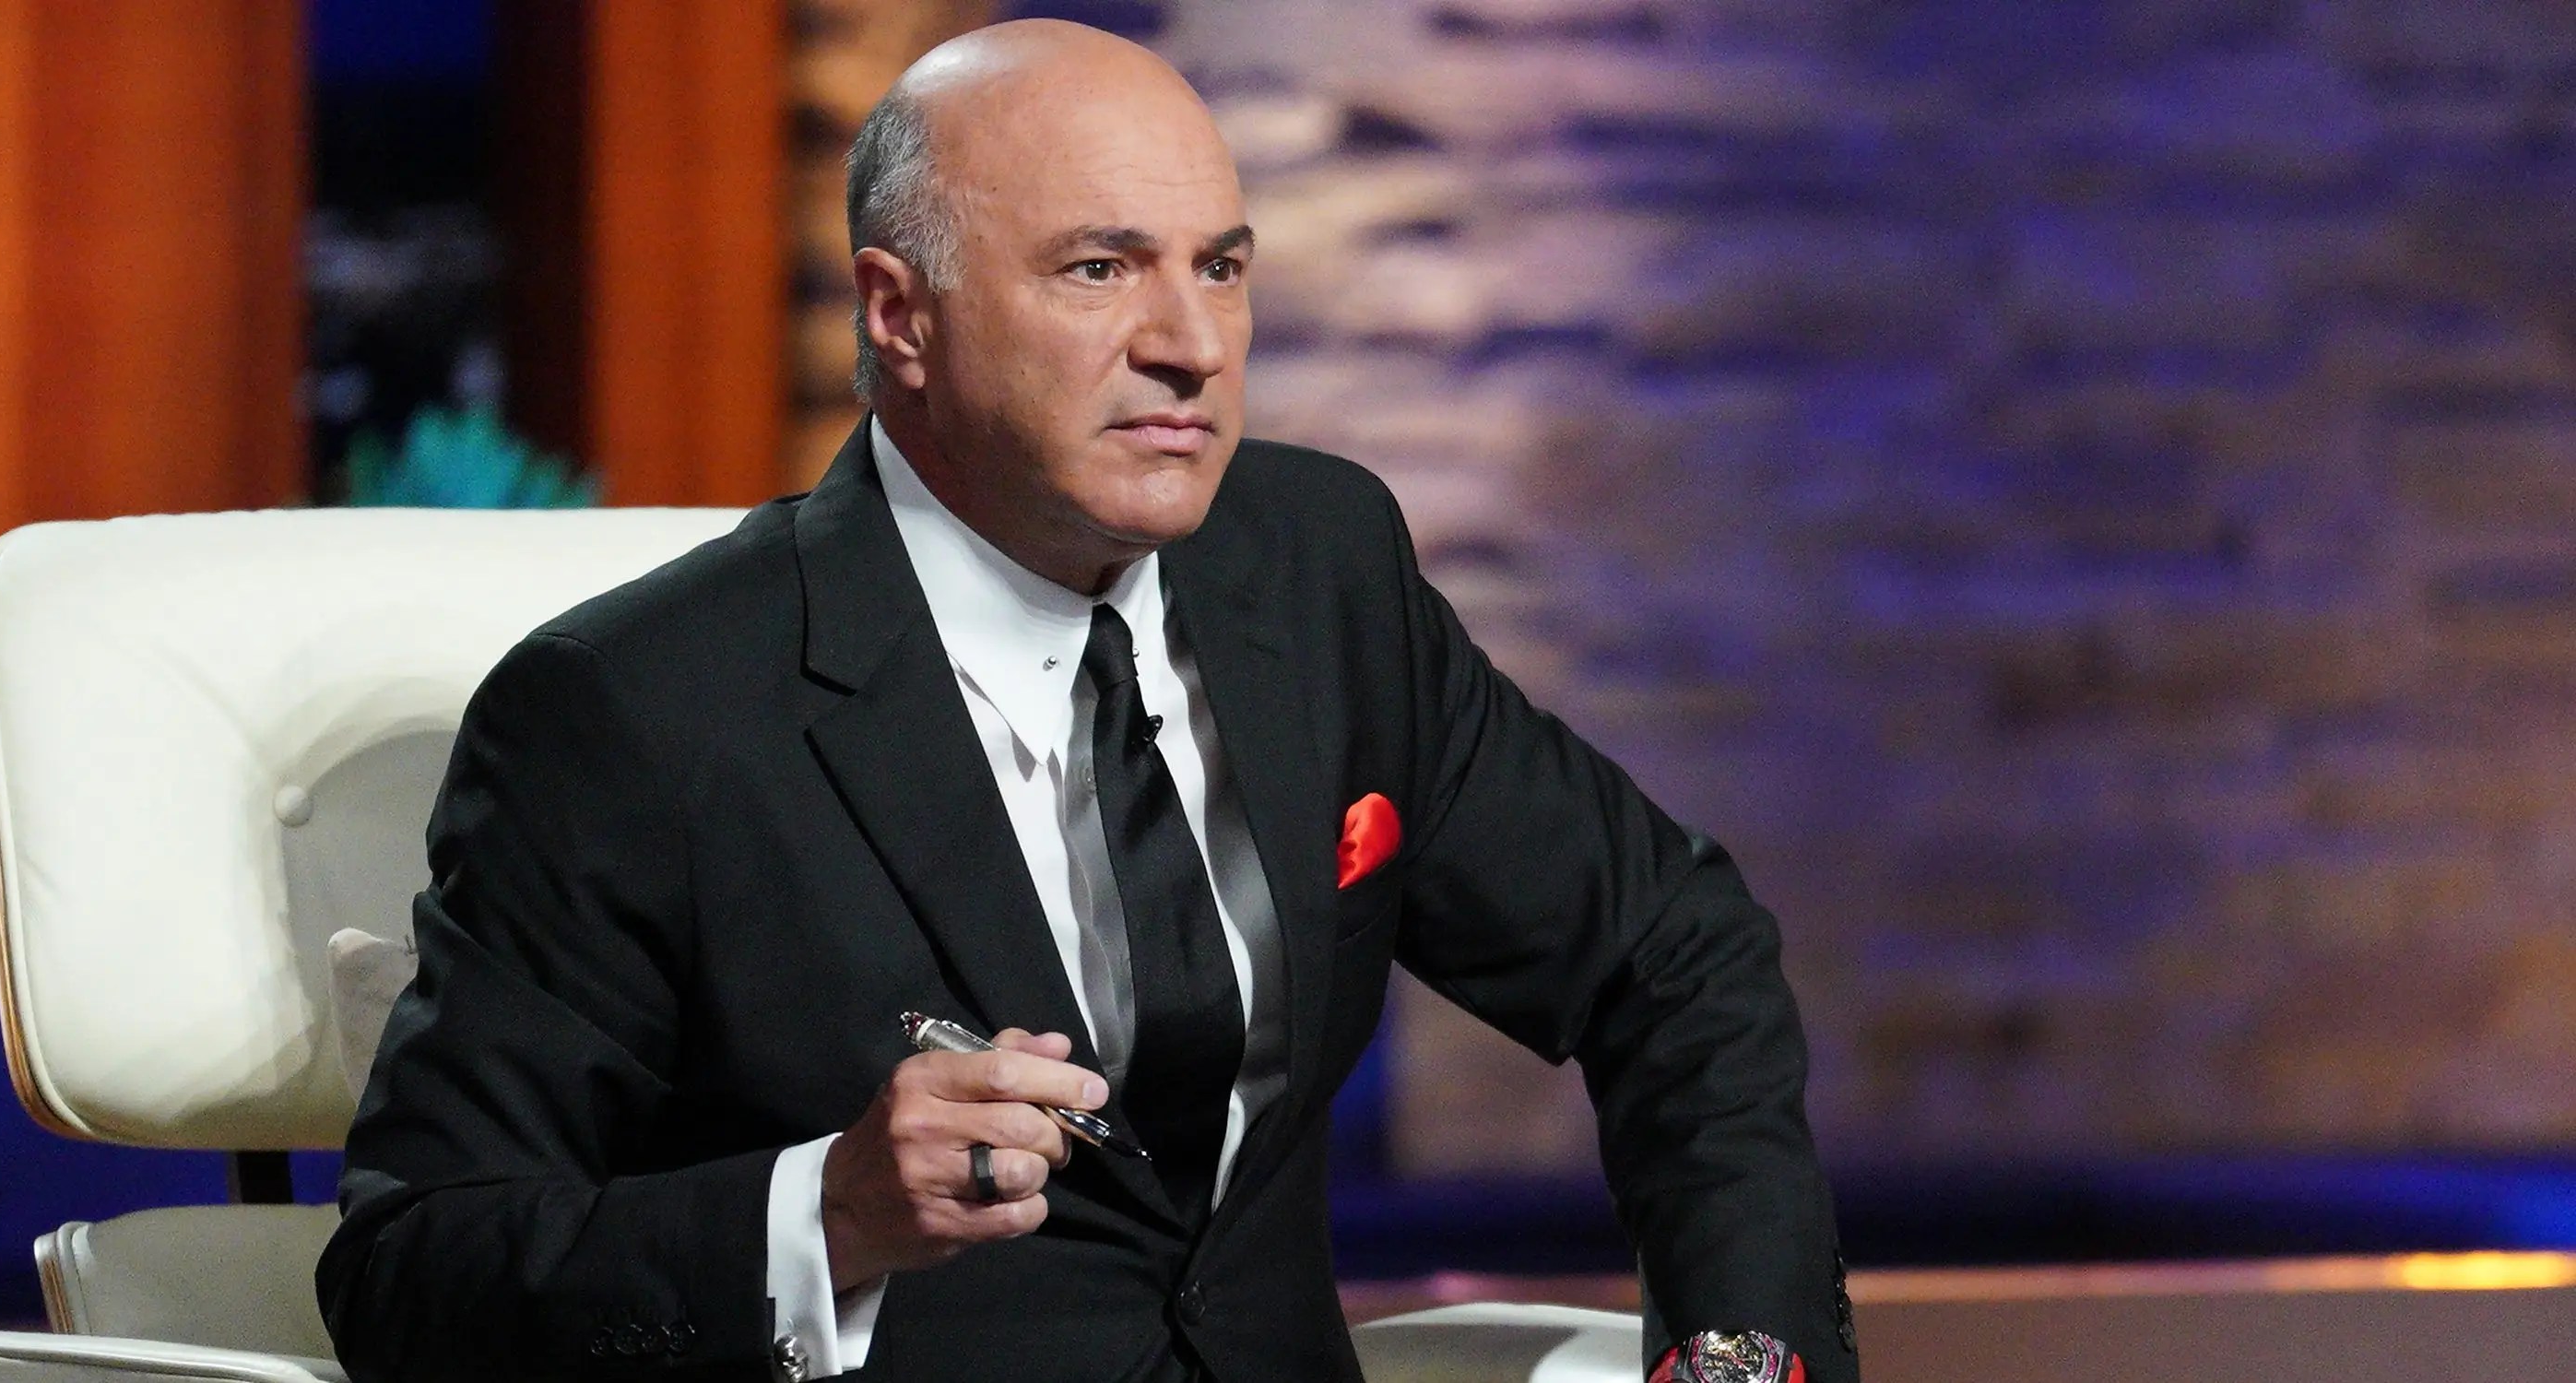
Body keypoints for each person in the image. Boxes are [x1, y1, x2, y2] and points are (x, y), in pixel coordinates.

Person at [318, 19, 1855, 1383]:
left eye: (1221, 268)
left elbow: (1670, 952)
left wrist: (1739, 1357)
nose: (1189, 347)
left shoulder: (1318, 573)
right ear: (899, 315)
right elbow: (412, 1279)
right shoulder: (634, 712)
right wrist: (824, 1217)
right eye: (1099, 269)